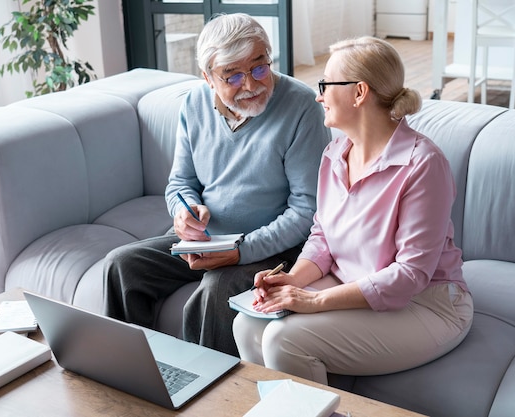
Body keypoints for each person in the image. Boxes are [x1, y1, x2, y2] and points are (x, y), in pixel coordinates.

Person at [232, 36, 474, 383]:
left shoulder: (423, 164)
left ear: (359, 93)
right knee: (248, 322)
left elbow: (410, 275)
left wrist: (314, 301)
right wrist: (293, 279)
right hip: (351, 282)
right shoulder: (335, 153)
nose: (318, 96)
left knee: (285, 339)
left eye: (325, 85)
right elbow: (322, 236)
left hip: (426, 303)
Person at [103, 13, 331, 356]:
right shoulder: (194, 104)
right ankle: (130, 372)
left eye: (259, 67)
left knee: (217, 287)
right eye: (233, 76)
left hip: (273, 246)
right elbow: (180, 183)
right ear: (208, 78)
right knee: (121, 266)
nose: (252, 85)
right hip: (208, 240)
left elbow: (306, 211)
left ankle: (207, 396)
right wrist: (183, 212)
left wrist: (241, 251)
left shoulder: (301, 107)